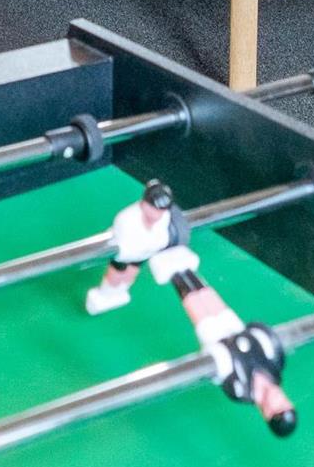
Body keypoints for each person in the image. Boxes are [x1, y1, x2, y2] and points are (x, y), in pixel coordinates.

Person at [149, 245, 296, 436]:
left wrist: (218, 357)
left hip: (217, 339)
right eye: (286, 402)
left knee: (196, 305)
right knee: (211, 300)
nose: (281, 398)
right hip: (237, 330)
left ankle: (174, 274)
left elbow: (222, 371)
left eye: (279, 407)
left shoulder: (241, 390)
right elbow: (267, 340)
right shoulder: (275, 369)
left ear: (267, 413)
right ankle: (187, 270)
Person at [87, 179, 182, 314]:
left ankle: (120, 292)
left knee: (130, 274)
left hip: (143, 253)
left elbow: (162, 237)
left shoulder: (165, 216)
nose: (157, 214)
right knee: (115, 276)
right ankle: (106, 295)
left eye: (161, 210)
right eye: (154, 208)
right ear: (144, 203)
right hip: (123, 254)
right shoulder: (125, 218)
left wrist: (154, 247)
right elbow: (125, 247)